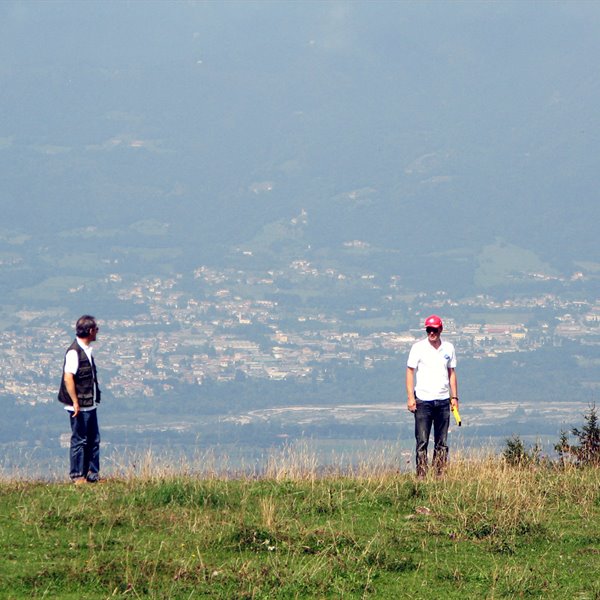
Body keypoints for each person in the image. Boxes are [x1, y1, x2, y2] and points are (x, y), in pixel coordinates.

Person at [406, 315, 458, 477]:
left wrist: (454, 397)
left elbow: (451, 373)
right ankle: (421, 474)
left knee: (441, 442)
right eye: (429, 330)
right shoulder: (418, 348)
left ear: (440, 330)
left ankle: (439, 474)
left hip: (443, 401)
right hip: (423, 401)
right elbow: (409, 371)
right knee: (422, 441)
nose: (431, 333)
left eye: (434, 330)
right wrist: (410, 397)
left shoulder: (448, 348)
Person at [58, 315, 102, 484]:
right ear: (90, 331)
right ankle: (77, 476)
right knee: (79, 440)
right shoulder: (74, 352)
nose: (97, 332)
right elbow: (68, 377)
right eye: (96, 329)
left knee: (93, 440)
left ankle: (92, 474)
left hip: (89, 404)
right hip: (79, 406)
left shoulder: (85, 350)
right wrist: (75, 401)